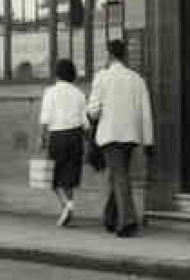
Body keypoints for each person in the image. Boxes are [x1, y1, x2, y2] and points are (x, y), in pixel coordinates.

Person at [86, 38, 154, 238]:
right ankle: (110, 217)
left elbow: (94, 110)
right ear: (124, 55)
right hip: (131, 136)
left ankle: (127, 221)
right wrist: (149, 141)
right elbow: (145, 113)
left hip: (111, 135)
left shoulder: (102, 77)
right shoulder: (137, 79)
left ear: (110, 55)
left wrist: (90, 116)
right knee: (118, 174)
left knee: (119, 175)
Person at [39, 57, 87, 226]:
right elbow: (85, 122)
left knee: (54, 178)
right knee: (70, 178)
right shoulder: (79, 94)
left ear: (57, 74)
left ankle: (67, 205)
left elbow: (45, 118)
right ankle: (67, 210)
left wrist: (42, 139)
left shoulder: (50, 92)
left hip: (58, 136)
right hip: (76, 136)